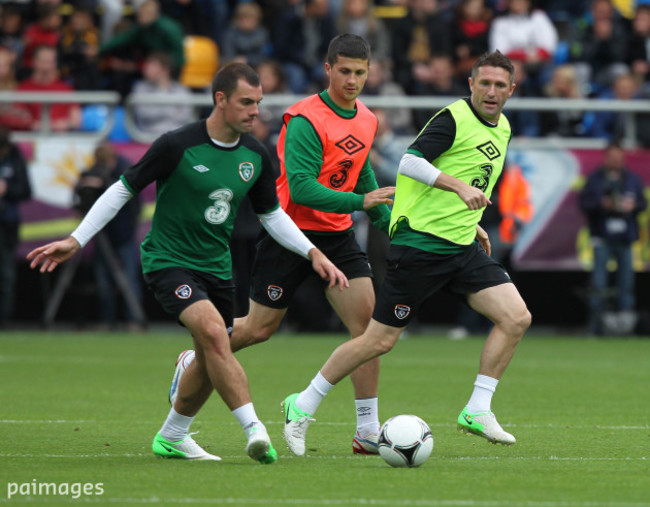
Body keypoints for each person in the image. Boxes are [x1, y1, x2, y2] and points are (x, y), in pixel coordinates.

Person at [27, 62, 348, 464]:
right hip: (168, 260)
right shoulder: (177, 144)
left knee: (211, 352)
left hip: (218, 269)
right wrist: (76, 239)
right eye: (246, 103)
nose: (256, 111)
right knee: (216, 335)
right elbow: (122, 189)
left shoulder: (257, 155)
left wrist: (313, 252)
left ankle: (172, 435)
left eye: (259, 103)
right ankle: (256, 430)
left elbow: (272, 215)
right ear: (220, 100)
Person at [281, 50, 532, 456]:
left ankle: (477, 409)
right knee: (378, 341)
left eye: (499, 85)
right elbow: (409, 163)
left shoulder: (502, 127)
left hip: (461, 245)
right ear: (470, 84)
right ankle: (303, 403)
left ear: (511, 90)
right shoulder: (453, 118)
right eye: (483, 83)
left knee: (516, 316)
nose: (491, 91)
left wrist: (472, 223)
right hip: (421, 245)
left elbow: (469, 178)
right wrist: (459, 188)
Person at [171, 33, 395, 455]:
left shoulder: (367, 118)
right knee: (258, 330)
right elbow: (304, 189)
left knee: (367, 329)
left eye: (360, 73)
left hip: (339, 235)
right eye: (344, 71)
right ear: (327, 69)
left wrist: (386, 219)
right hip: (290, 234)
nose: (352, 80)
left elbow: (361, 173)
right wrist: (362, 202)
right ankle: (193, 356)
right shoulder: (305, 118)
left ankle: (367, 431)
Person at [73, 142, 144, 331]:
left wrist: (104, 184)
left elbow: (134, 205)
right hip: (102, 234)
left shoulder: (126, 173)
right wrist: (84, 185)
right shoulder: (91, 173)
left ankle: (133, 320)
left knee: (129, 279)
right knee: (103, 280)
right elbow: (78, 199)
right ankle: (107, 320)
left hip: (123, 233)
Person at [578, 142, 647, 335]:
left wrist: (632, 206)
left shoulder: (632, 179)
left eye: (619, 157)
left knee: (626, 283)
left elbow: (642, 203)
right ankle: (596, 326)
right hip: (602, 235)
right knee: (599, 283)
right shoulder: (595, 179)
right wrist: (602, 204)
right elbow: (584, 203)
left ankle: (626, 327)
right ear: (606, 158)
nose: (616, 161)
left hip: (625, 238)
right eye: (612, 157)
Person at [0, 126, 31, 329]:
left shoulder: (14, 156)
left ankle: (4, 320)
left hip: (6, 225)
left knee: (6, 274)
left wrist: (7, 188)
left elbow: (26, 190)